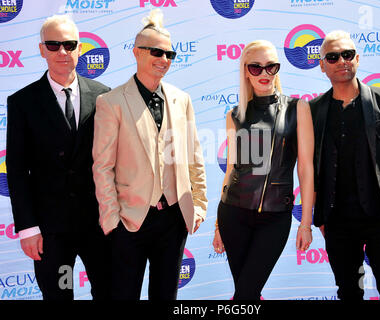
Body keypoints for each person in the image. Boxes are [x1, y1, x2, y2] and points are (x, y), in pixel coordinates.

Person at [92, 9, 207, 300]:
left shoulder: (182, 99)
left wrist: (199, 205)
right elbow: (102, 166)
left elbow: (193, 156)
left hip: (174, 219)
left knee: (166, 296)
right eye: (156, 52)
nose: (164, 60)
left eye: (170, 54)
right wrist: (111, 219)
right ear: (136, 53)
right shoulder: (111, 102)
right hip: (129, 221)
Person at [6, 14, 111, 300]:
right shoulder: (22, 102)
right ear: (41, 50)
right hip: (51, 233)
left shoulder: (105, 97)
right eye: (53, 45)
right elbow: (16, 170)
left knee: (110, 293)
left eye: (69, 44)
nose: (62, 52)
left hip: (99, 226)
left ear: (79, 48)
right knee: (59, 295)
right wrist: (27, 227)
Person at [309, 30, 380, 300]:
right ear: (322, 66)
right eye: (333, 57)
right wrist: (319, 217)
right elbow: (310, 169)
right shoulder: (313, 111)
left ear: (357, 58)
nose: (341, 61)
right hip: (338, 222)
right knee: (348, 293)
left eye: (347, 54)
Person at [212, 40, 314, 300]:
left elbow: (305, 168)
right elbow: (232, 169)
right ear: (246, 71)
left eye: (271, 67)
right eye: (256, 68)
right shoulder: (235, 115)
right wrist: (217, 226)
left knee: (246, 293)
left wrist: (305, 224)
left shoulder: (297, 108)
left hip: (275, 217)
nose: (265, 73)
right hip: (233, 214)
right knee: (247, 294)